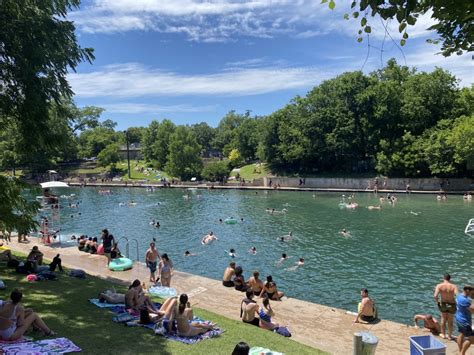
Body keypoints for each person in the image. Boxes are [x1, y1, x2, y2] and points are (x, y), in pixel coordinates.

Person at [434, 273, 458, 339]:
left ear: (443, 278)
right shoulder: (454, 286)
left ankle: (443, 334)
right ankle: (450, 336)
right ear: (450, 279)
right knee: (450, 320)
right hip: (452, 304)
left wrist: (437, 302)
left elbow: (435, 296)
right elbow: (457, 295)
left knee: (443, 319)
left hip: (443, 304)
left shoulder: (439, 286)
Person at [455, 285, 474, 355]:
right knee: (471, 339)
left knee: (461, 334)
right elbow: (473, 311)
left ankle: (460, 351)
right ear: (468, 291)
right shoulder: (465, 300)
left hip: (458, 318)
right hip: (465, 321)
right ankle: (462, 353)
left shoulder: (459, 296)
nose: (472, 294)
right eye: (472, 292)